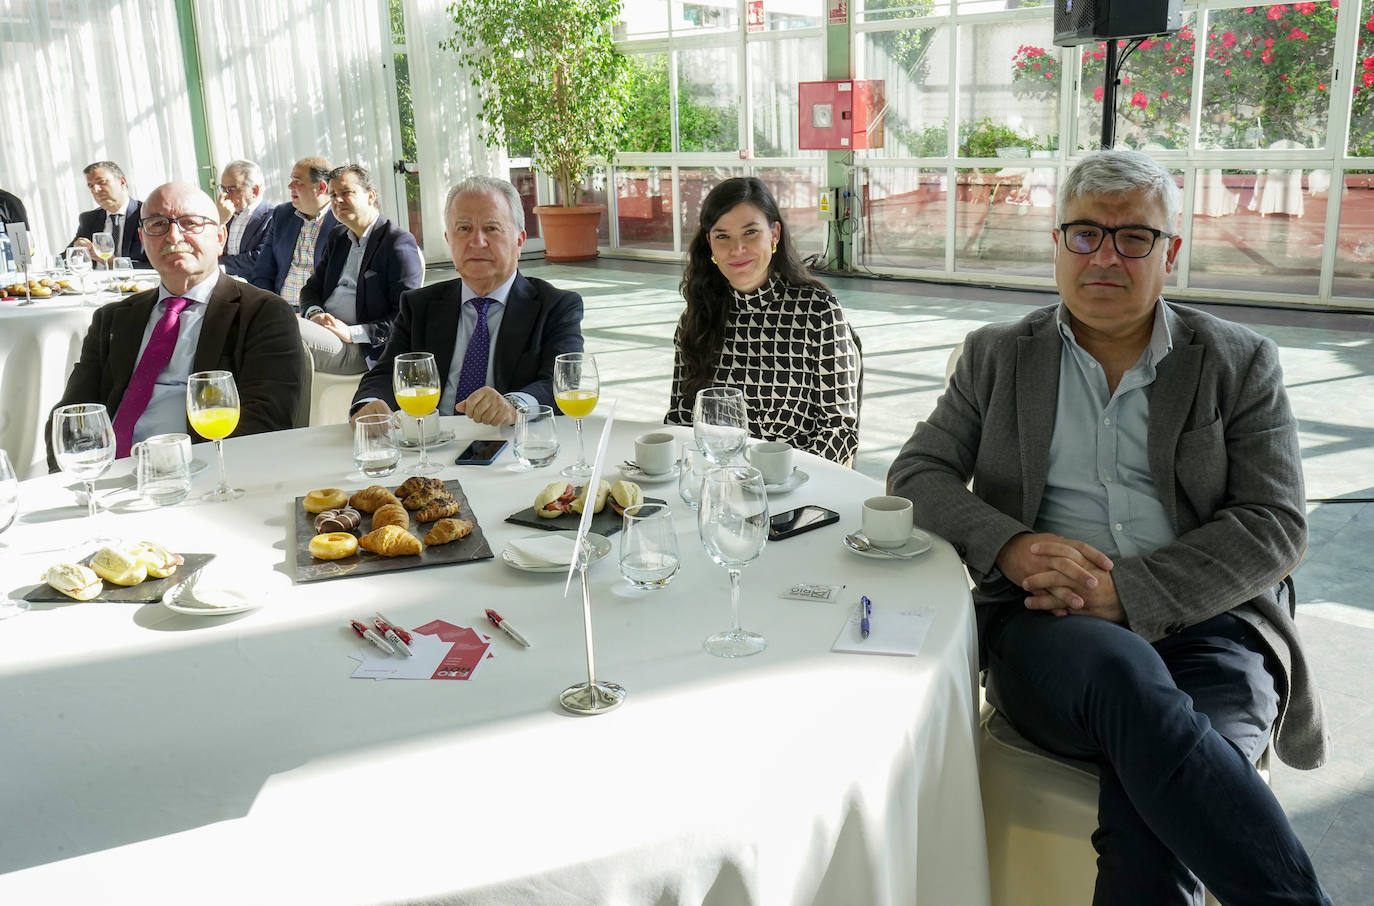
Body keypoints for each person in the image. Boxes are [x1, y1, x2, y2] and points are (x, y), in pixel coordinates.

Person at [888, 149, 1330, 905]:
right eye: (1086, 234)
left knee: (1155, 823)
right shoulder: (998, 356)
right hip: (1050, 632)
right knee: (1132, 686)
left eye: (1134, 238)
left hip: (1211, 627)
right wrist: (1014, 548)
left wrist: (1131, 591)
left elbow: (1274, 523)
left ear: (1170, 253)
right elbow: (917, 476)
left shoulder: (1237, 361)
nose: (1106, 256)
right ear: (1057, 243)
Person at [47, 182, 302, 469]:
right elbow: (72, 413)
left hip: (202, 474)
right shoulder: (113, 318)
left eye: (190, 223)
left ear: (220, 237)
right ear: (142, 239)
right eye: (158, 224)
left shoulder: (261, 313)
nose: (174, 235)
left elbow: (265, 420)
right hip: (108, 476)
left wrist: (171, 476)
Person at [352, 175, 583, 427]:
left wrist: (513, 405)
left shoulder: (556, 306)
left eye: (491, 228)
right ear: (449, 240)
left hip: (512, 442)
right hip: (433, 444)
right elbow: (387, 373)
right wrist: (370, 403)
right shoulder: (419, 306)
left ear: (519, 241)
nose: (477, 242)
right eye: (464, 229)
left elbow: (562, 382)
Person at [665, 176, 860, 465]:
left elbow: (840, 428)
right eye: (722, 236)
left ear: (775, 235)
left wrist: (792, 478)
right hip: (718, 480)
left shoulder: (818, 311)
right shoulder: (696, 318)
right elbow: (680, 419)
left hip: (797, 485)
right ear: (710, 245)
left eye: (751, 232)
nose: (737, 249)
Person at [298, 163, 421, 374]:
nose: (337, 200)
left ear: (370, 196)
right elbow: (311, 289)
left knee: (281, 336)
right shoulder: (338, 237)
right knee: (267, 322)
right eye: (332, 194)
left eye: (346, 192)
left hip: (361, 347)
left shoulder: (397, 243)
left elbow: (406, 318)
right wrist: (315, 313)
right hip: (322, 330)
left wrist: (352, 333)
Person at [249, 156, 337, 308]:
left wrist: (313, 313)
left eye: (298, 181)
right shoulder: (282, 214)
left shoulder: (341, 221)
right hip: (280, 309)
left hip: (320, 312)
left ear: (321, 187)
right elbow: (262, 272)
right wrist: (269, 306)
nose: (290, 186)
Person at [69, 161, 145, 264]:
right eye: (91, 186)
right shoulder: (89, 219)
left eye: (101, 182)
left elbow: (154, 266)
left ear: (122, 181)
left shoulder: (145, 214)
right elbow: (63, 260)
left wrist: (110, 261)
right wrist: (75, 251)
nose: (96, 190)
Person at [215, 159, 271, 277]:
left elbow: (260, 258)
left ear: (254, 191)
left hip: (254, 286)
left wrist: (217, 266)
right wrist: (218, 221)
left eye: (232, 189)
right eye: (223, 189)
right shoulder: (224, 213)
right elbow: (207, 248)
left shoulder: (272, 216)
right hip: (223, 283)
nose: (225, 195)